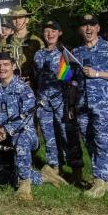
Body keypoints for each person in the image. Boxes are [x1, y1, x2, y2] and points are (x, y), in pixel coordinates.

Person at [0, 53, 65, 200]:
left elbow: (26, 117)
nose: (2, 68)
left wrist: (6, 130)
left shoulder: (24, 89)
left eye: (6, 65)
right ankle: (44, 176)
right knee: (4, 178)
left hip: (25, 135)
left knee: (21, 139)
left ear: (13, 66)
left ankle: (24, 185)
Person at [72, 14, 108, 197]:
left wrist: (98, 74)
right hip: (83, 106)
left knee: (104, 143)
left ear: (98, 28)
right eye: (84, 26)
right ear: (80, 29)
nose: (88, 29)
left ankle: (99, 182)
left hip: (105, 107)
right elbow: (71, 79)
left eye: (92, 25)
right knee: (90, 143)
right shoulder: (77, 52)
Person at [33, 20, 82, 180]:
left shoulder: (66, 53)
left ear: (59, 33)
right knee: (49, 135)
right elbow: (36, 77)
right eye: (47, 31)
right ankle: (55, 166)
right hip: (43, 102)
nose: (50, 34)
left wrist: (71, 104)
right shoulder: (38, 54)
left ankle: (76, 169)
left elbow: (73, 80)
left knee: (67, 134)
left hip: (62, 100)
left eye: (54, 30)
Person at [0, 6, 44, 80]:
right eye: (14, 18)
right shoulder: (5, 42)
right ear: (11, 21)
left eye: (21, 18)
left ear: (27, 20)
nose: (17, 21)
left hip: (31, 83)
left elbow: (42, 66)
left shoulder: (37, 42)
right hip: (11, 84)